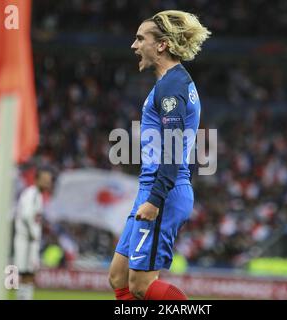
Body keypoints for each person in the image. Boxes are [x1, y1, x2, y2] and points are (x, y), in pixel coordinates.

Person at [108, 10, 211, 300]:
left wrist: (156, 198)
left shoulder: (170, 87)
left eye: (141, 39)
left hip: (160, 193)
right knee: (118, 276)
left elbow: (174, 146)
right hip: (156, 188)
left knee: (141, 284)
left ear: (162, 45)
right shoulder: (175, 81)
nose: (134, 45)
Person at [13, 169, 52, 300]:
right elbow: (26, 215)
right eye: (45, 179)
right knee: (27, 273)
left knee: (28, 273)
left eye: (49, 180)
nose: (47, 183)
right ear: (36, 180)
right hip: (26, 240)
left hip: (29, 240)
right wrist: (33, 233)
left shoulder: (38, 195)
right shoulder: (32, 194)